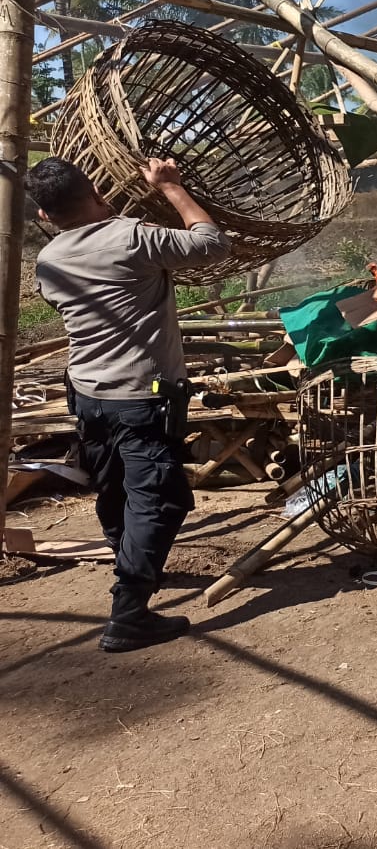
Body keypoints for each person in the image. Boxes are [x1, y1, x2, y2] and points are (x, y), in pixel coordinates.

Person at [27, 156, 232, 652]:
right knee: (160, 498)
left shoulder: (49, 258)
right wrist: (171, 187)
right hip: (141, 397)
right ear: (95, 188)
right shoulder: (133, 238)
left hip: (89, 395)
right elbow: (212, 244)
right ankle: (129, 612)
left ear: (45, 217)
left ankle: (131, 567)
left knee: (115, 490)